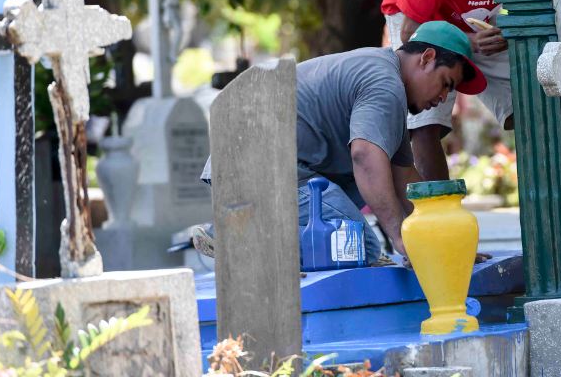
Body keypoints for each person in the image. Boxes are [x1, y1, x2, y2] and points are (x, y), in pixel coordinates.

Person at [195, 21, 487, 265]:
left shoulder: (385, 80)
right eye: (446, 84)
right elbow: (364, 157)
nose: (442, 99)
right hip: (253, 167)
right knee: (356, 247)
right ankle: (237, 237)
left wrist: (443, 243)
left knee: (364, 203)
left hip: (257, 164)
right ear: (426, 58)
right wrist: (400, 237)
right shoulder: (385, 85)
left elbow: (404, 180)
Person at [381, 0, 557, 180]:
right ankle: (438, 219)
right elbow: (410, 33)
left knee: (530, 102)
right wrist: (468, 41)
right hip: (419, 19)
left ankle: (543, 192)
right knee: (426, 125)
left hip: (473, 20)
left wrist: (507, 32)